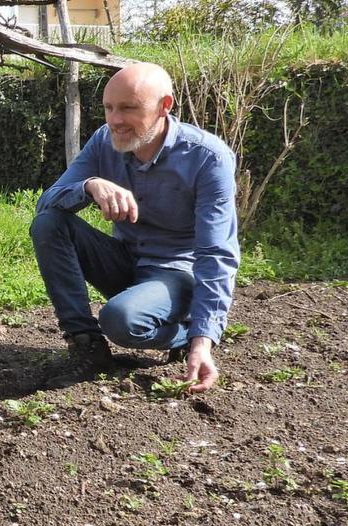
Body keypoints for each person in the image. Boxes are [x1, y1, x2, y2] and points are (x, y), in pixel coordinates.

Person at [30, 62, 240, 393]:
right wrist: (90, 186)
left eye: (128, 108)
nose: (115, 120)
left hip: (175, 275)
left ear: (164, 106)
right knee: (49, 222)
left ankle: (187, 331)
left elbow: (216, 253)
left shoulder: (207, 158)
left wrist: (203, 340)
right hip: (125, 261)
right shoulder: (104, 141)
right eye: (109, 108)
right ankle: (87, 348)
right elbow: (47, 202)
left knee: (120, 320)